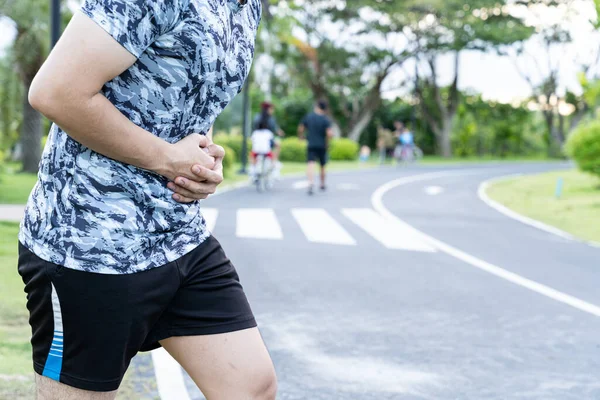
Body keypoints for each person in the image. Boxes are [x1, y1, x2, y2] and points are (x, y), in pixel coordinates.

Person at [18, 1, 277, 400]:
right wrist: (167, 158)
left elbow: (191, 95)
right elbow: (55, 91)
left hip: (178, 236)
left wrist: (202, 163)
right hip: (89, 241)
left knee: (250, 387)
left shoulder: (245, 7)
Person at [298, 101, 333, 195]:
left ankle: (310, 182)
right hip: (322, 145)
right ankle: (322, 184)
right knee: (322, 165)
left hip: (311, 144)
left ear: (317, 107)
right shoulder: (325, 119)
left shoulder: (309, 117)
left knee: (310, 163)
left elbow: (301, 128)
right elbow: (329, 133)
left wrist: (301, 137)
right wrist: (328, 142)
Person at [253, 101, 284, 177]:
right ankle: (274, 163)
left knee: (254, 152)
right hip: (267, 139)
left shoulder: (257, 116)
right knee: (278, 146)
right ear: (268, 109)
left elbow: (253, 127)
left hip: (257, 138)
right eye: (271, 109)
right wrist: (280, 133)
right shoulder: (271, 119)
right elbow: (275, 129)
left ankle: (253, 169)